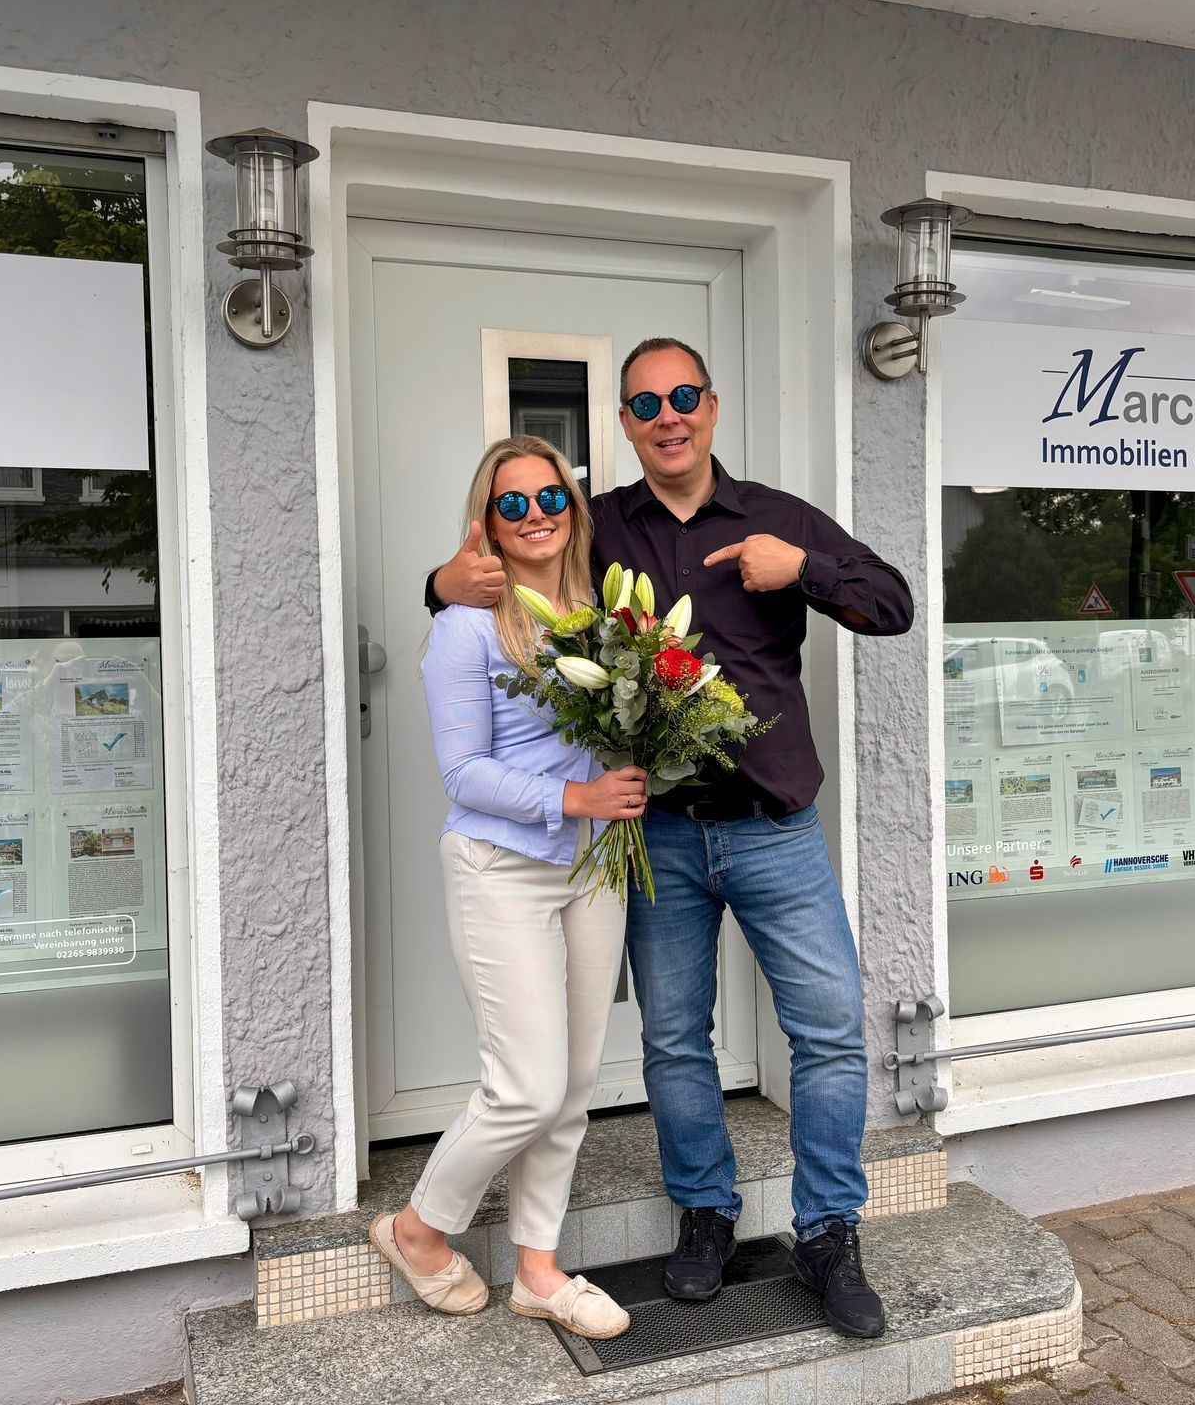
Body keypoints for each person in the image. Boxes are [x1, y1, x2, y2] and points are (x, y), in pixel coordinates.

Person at [429, 339, 913, 1339]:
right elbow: (484, 589)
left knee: (828, 1032)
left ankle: (829, 1233)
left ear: (712, 405)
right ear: (624, 423)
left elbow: (893, 605)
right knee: (674, 1041)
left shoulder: (778, 518)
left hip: (776, 829)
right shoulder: (594, 526)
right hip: (658, 840)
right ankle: (705, 1216)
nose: (668, 416)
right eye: (646, 404)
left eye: (683, 396)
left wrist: (805, 570)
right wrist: (442, 581)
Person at [372, 435, 647, 1342]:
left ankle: (538, 1270)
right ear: (487, 523)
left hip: (592, 867)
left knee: (572, 1085)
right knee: (524, 1086)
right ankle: (418, 1230)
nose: (536, 515)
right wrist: (576, 797)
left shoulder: (603, 615)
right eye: (513, 502)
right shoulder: (467, 623)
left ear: (574, 509)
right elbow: (464, 773)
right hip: (502, 868)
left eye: (550, 498)